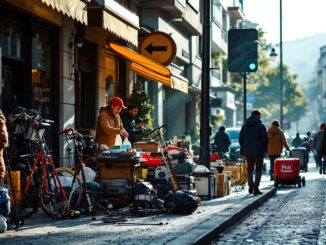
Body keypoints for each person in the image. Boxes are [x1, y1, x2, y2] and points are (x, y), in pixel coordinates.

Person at [239, 110, 268, 195]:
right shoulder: (261, 126)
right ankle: (256, 188)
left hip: (248, 151)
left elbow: (240, 139)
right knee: (259, 169)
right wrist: (265, 149)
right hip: (259, 151)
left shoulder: (245, 126)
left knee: (250, 169)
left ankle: (251, 185)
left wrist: (243, 149)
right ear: (258, 116)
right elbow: (265, 139)